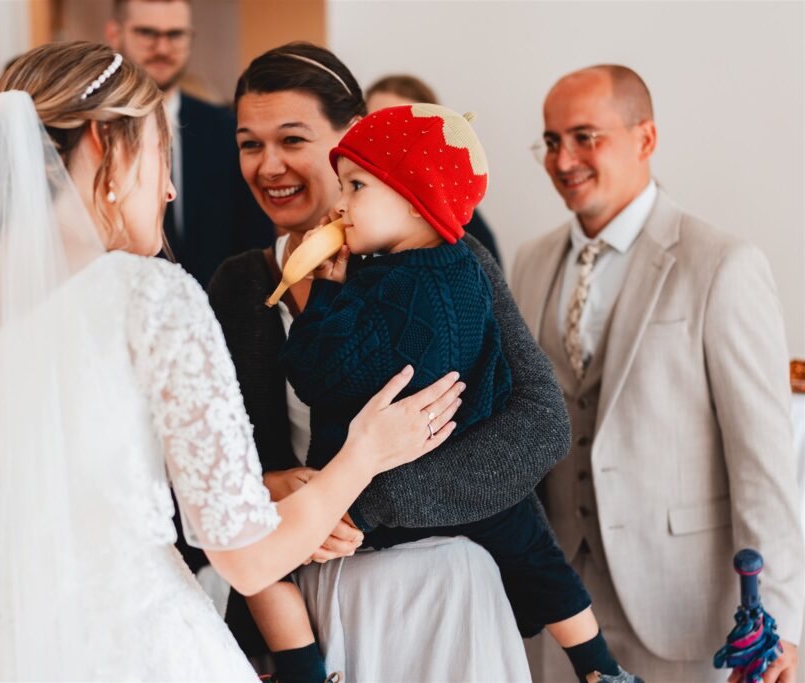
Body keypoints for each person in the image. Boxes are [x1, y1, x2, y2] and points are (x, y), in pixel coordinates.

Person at [0, 41, 464, 680]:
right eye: (159, 154)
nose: (169, 190)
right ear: (103, 142)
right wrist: (364, 454)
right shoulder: (147, 296)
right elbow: (249, 557)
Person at [210, 43, 570, 682]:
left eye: (293, 139)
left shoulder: (446, 261)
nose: (269, 166)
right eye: (248, 145)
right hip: (299, 599)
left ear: (354, 136)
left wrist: (364, 500)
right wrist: (270, 485)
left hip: (442, 588)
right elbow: (211, 463)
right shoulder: (237, 286)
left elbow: (540, 421)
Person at [247, 102, 639, 683]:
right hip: (463, 493)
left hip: (383, 503)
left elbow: (325, 375)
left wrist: (323, 297)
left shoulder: (400, 284)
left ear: (415, 199)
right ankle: (597, 665)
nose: (340, 204)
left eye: (355, 186)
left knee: (267, 546)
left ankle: (303, 669)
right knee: (534, 548)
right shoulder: (455, 270)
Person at [513, 64, 804, 682]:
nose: (563, 160)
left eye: (585, 137)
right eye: (552, 141)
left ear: (644, 138)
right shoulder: (530, 262)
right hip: (558, 604)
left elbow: (764, 463)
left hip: (682, 607)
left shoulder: (722, 264)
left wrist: (776, 621)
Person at [105, 0, 272, 288]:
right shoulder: (94, 129)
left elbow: (255, 242)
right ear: (115, 34)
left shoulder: (227, 128)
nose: (162, 48)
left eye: (175, 34)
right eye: (147, 33)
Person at [364, 73, 500, 264]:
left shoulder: (470, 234)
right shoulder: (347, 208)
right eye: (374, 125)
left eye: (403, 129)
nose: (385, 140)